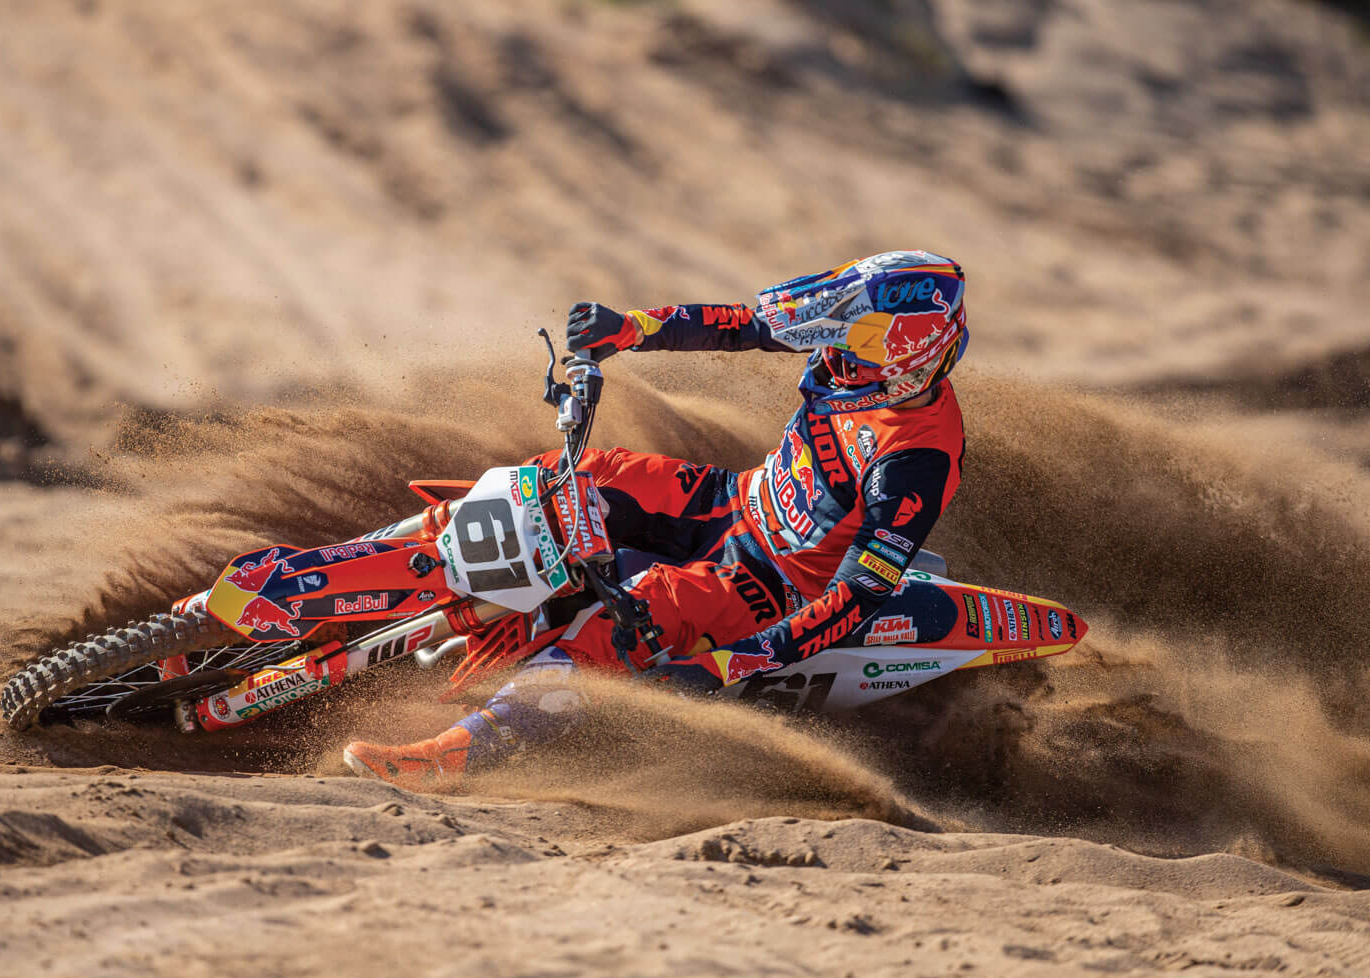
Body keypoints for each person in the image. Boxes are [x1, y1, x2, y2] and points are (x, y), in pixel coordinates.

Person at [344, 250, 969, 784]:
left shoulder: (917, 459)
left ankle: (453, 757)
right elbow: (743, 325)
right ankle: (351, 571)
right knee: (559, 478)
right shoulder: (850, 351)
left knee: (619, 627)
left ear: (912, 358)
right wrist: (632, 328)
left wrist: (729, 663)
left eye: (859, 343)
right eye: (843, 333)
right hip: (731, 500)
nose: (835, 351)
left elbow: (860, 594)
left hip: (772, 582)